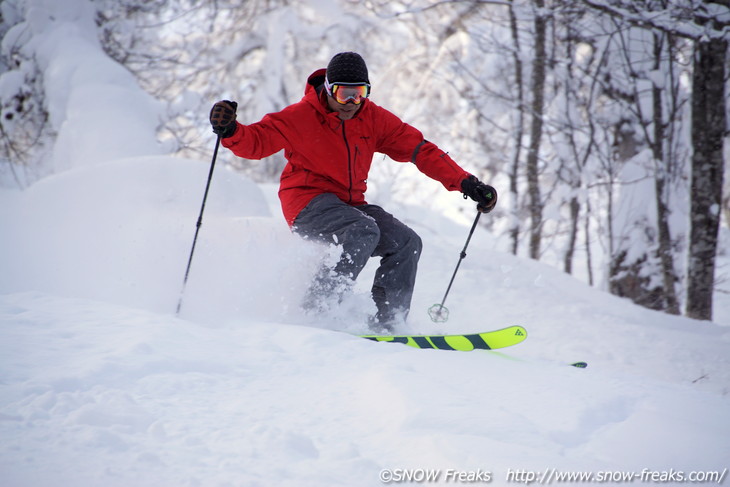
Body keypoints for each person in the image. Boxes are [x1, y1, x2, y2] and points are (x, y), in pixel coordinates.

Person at [209, 52, 496, 331]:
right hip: (306, 202)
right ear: (328, 89)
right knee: (363, 230)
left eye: (359, 93)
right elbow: (257, 141)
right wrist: (232, 130)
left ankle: (390, 323)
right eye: (343, 93)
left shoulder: (372, 118)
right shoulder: (301, 116)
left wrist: (465, 182)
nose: (350, 102)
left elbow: (420, 150)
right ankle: (318, 311)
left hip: (349, 205)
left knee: (407, 242)